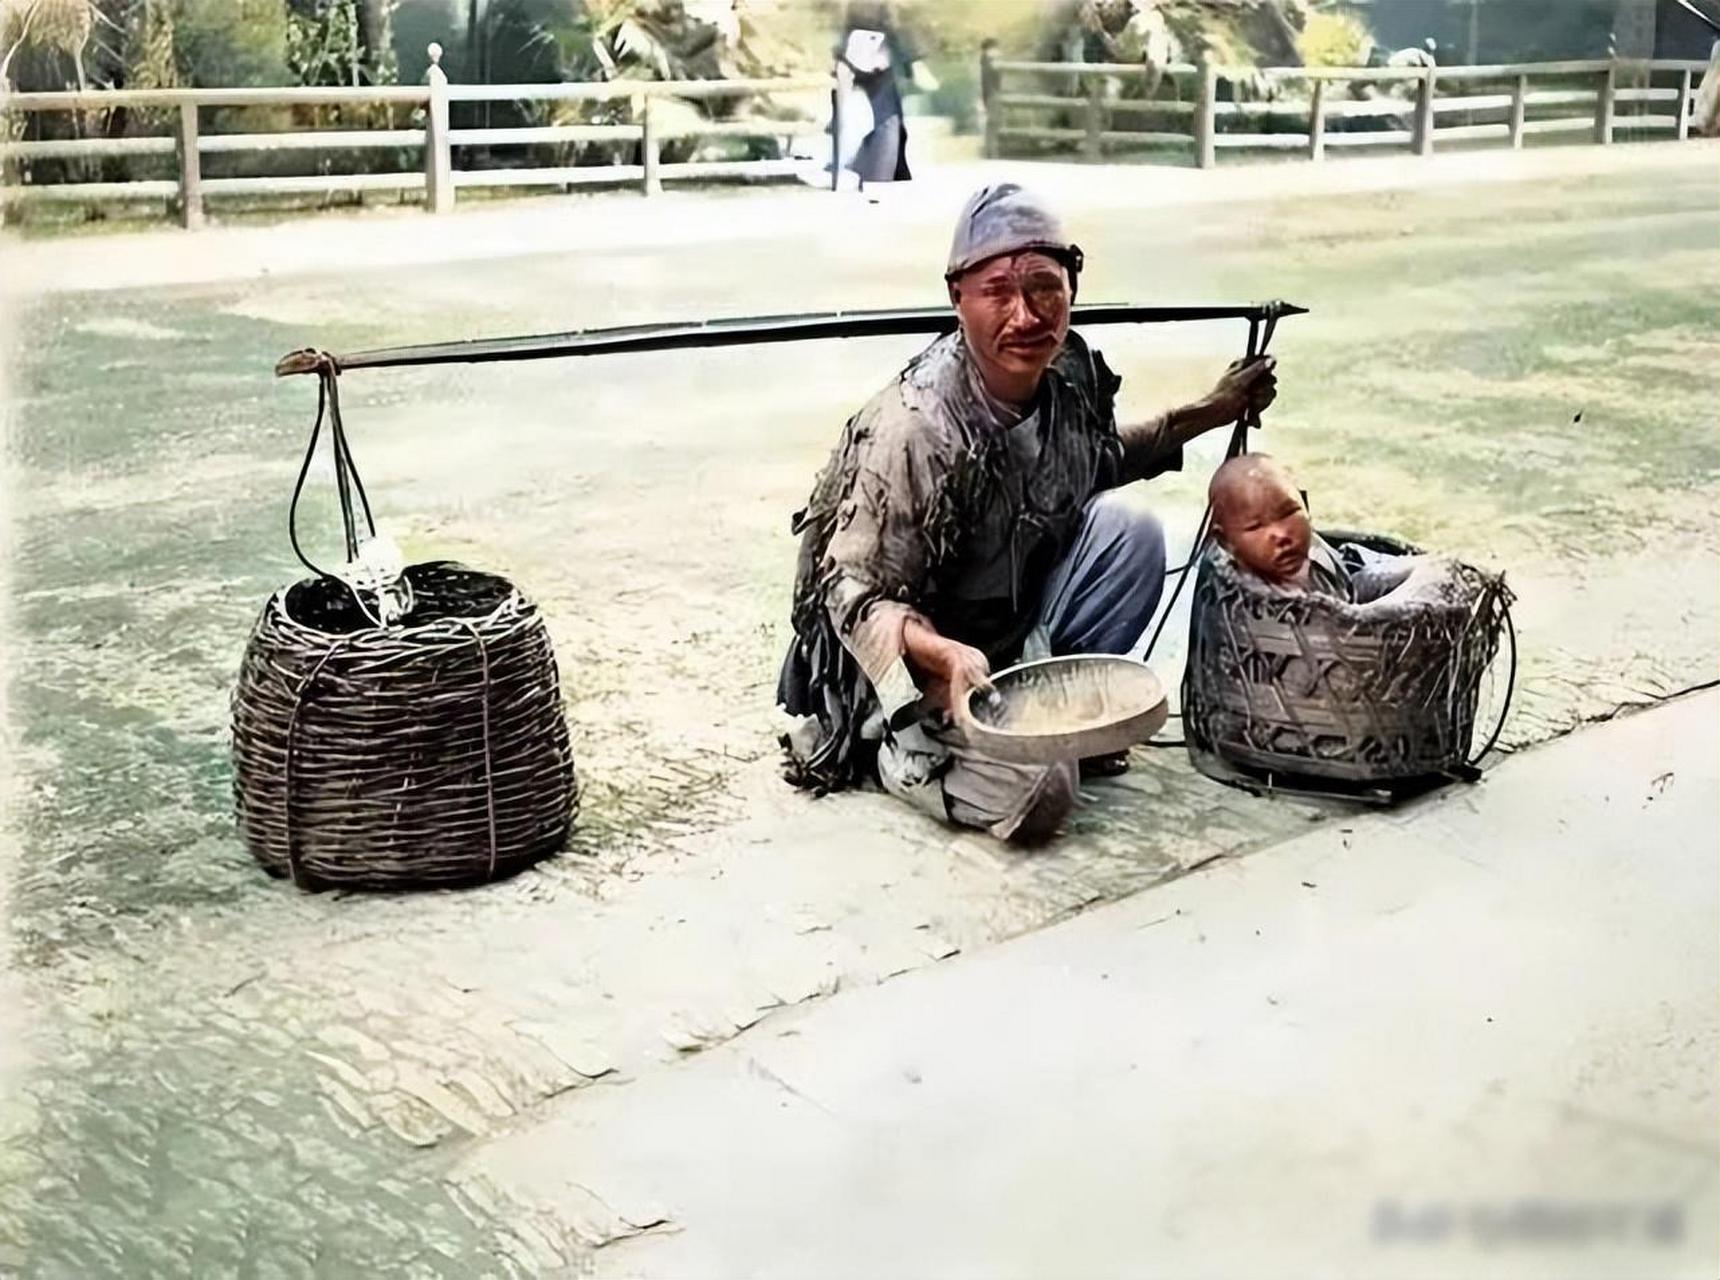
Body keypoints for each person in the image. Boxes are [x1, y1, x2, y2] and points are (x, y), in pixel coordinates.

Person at [776, 184, 1277, 843]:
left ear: (1072, 284)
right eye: (997, 292)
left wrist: (1214, 409)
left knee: (1132, 531)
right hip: (911, 665)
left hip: (1005, 631)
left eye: (1044, 286)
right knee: (1044, 788)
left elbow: (1092, 461)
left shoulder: (1065, 374)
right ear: (958, 297)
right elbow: (850, 593)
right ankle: (895, 752)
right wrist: (942, 655)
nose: (1025, 315)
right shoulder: (917, 430)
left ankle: (1040, 715)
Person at [1207, 455, 1425, 604]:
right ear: (1226, 542)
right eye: (1256, 526)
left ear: (1305, 505)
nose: (1281, 534)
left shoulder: (1316, 553)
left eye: (1288, 513)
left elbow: (1353, 588)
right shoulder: (1249, 597)